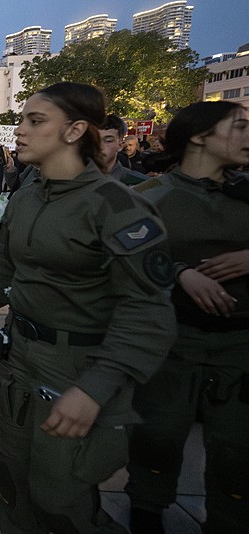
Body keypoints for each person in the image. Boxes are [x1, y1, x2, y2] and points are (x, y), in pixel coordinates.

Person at [0, 82, 176, 533]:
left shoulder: (119, 208)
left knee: (61, 499)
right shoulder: (28, 196)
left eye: (35, 121)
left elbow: (149, 312)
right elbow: (3, 268)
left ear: (74, 131)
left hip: (75, 368)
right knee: (12, 480)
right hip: (18, 363)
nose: (21, 132)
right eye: (22, 121)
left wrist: (93, 389)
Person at [126, 101, 249, 534]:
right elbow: (124, 260)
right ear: (198, 136)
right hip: (171, 341)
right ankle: (146, 509)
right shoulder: (148, 197)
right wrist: (179, 275)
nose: (248, 135)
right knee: (156, 437)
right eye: (239, 126)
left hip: (240, 346)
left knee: (238, 449)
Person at [99, 115, 147, 185]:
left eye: (108, 141)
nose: (100, 146)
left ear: (120, 145)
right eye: (94, 140)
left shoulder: (138, 182)